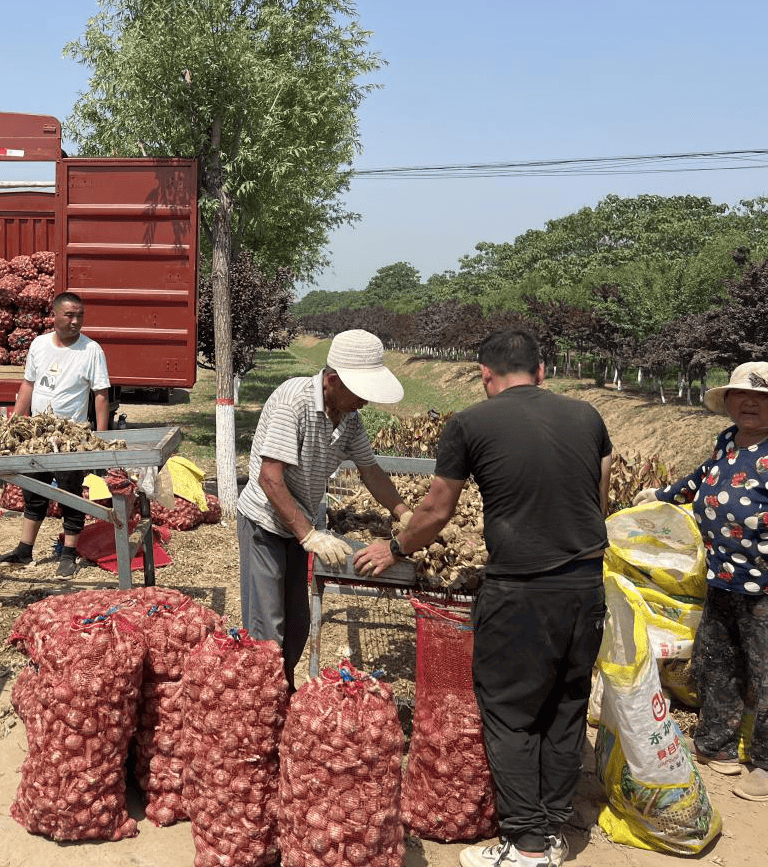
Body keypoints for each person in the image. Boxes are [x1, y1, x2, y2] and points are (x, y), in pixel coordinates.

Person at [354, 329, 611, 867]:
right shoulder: (588, 415)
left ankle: (527, 843)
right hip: (586, 585)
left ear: (484, 375)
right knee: (566, 706)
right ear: (542, 372)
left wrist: (395, 546)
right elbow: (599, 494)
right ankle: (555, 826)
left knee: (511, 712)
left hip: (521, 591)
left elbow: (438, 510)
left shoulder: (470, 422)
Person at [633, 361, 768, 803]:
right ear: (729, 401)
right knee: (718, 664)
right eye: (741, 396)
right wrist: (662, 497)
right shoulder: (729, 442)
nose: (750, 403)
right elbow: (703, 480)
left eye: (763, 398)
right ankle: (716, 745)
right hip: (724, 579)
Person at [236, 329, 409, 689]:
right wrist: (309, 534)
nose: (364, 402)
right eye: (359, 393)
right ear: (331, 381)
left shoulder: (348, 417)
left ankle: (280, 691)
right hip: (266, 523)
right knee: (267, 629)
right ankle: (260, 704)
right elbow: (270, 478)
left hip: (299, 525)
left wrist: (404, 513)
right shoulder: (294, 402)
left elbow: (371, 471)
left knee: (297, 626)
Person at [0, 292, 110, 578]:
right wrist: (13, 425)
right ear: (54, 316)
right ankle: (24, 549)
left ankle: (68, 554)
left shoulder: (91, 350)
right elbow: (28, 385)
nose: (75, 321)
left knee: (70, 492)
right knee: (34, 489)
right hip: (37, 432)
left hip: (70, 434)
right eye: (69, 315)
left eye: (79, 315)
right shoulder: (39, 345)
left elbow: (101, 395)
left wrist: (100, 441)